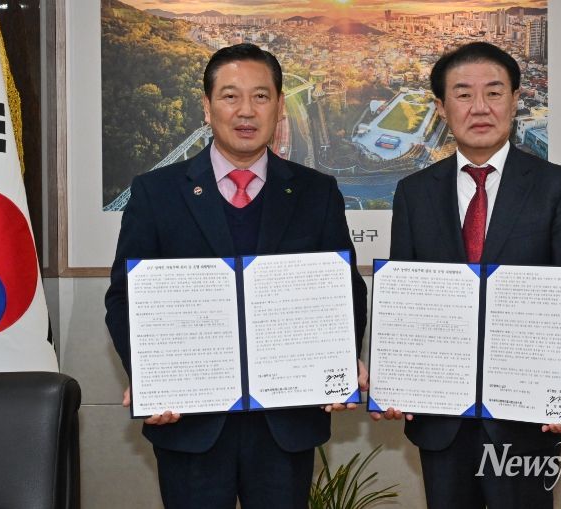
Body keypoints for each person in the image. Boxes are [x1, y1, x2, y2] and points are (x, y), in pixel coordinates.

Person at [104, 43, 368, 509]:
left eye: (261, 96)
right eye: (230, 96)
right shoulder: (155, 192)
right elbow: (125, 298)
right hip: (191, 422)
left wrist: (341, 361)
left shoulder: (316, 192)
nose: (246, 111)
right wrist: (150, 376)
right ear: (207, 107)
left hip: (286, 420)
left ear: (279, 106)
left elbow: (344, 289)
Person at [372, 42, 561, 508]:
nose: (479, 107)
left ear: (515, 100)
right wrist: (397, 381)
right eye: (463, 94)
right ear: (442, 108)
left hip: (526, 417)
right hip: (441, 419)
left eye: (494, 92)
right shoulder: (414, 193)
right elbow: (404, 300)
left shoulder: (556, 187)